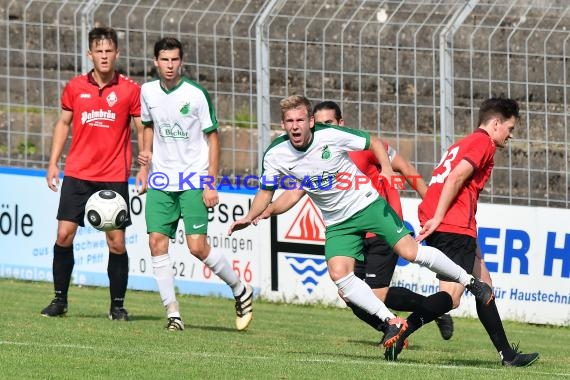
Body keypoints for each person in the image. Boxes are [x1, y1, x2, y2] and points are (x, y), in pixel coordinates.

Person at [229, 95, 493, 346]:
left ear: (311, 121)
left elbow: (375, 143)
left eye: (300, 120)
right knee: (339, 275)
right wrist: (253, 215)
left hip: (366, 205)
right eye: (289, 122)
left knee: (410, 251)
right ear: (283, 124)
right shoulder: (276, 154)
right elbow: (268, 192)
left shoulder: (331, 135)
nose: (295, 127)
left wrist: (387, 170)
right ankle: (391, 322)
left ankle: (471, 283)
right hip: (337, 222)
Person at [385, 97, 539, 366]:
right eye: (510, 129)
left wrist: (466, 235)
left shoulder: (462, 143)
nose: (510, 135)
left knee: (485, 286)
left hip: (457, 227)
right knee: (452, 297)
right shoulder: (483, 143)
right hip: (452, 226)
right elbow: (456, 178)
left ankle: (508, 355)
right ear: (495, 123)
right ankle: (402, 329)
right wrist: (440, 217)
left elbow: (457, 186)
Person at [135, 37, 253, 331]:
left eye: (175, 59)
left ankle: (240, 289)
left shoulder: (196, 94)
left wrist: (210, 183)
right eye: (165, 60)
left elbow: (213, 138)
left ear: (181, 62)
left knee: (197, 247)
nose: (170, 65)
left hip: (193, 179)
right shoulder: (147, 91)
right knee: (156, 242)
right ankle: (172, 313)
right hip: (162, 179)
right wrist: (145, 165)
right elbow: (148, 127)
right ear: (155, 62)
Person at [41, 27, 143, 321]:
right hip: (78, 174)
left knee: (117, 242)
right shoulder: (75, 87)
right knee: (63, 235)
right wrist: (53, 162)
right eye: (98, 51)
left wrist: (144, 166)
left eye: (108, 51)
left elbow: (141, 129)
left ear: (117, 54)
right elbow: (63, 124)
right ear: (90, 54)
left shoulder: (129, 90)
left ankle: (117, 306)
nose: (104, 56)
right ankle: (60, 300)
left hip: (113, 175)